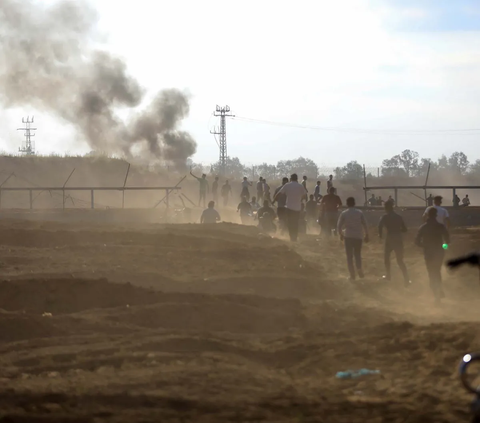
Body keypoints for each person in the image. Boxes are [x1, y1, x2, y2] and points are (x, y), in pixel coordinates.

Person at [415, 207, 450, 303]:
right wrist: (444, 246)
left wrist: (425, 246)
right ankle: (438, 291)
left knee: (431, 272)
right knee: (437, 271)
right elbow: (447, 240)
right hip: (439, 251)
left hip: (428, 252)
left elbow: (417, 242)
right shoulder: (441, 226)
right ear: (436, 215)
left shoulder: (423, 227)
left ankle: (436, 293)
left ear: (428, 215)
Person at [378, 200, 410, 286]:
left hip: (389, 239)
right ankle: (406, 279)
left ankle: (388, 275)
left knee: (387, 258)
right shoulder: (399, 217)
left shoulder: (384, 217)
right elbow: (405, 229)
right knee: (400, 260)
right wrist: (397, 230)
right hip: (398, 239)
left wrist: (380, 235)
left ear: (386, 208)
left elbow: (380, 226)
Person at [337, 197, 369, 281]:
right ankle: (359, 269)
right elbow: (365, 224)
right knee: (357, 254)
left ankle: (352, 275)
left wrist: (340, 234)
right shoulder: (359, 213)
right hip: (358, 236)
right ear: (354, 203)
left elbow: (339, 225)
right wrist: (367, 234)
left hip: (348, 236)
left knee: (349, 256)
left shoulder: (344, 213)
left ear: (347, 204)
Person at [273, 174, 307, 242]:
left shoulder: (287, 185)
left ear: (291, 179)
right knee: (295, 223)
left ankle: (291, 237)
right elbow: (304, 195)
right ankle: (294, 237)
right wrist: (300, 200)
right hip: (297, 208)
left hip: (289, 208)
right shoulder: (300, 186)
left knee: (289, 222)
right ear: (297, 179)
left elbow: (279, 193)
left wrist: (274, 200)